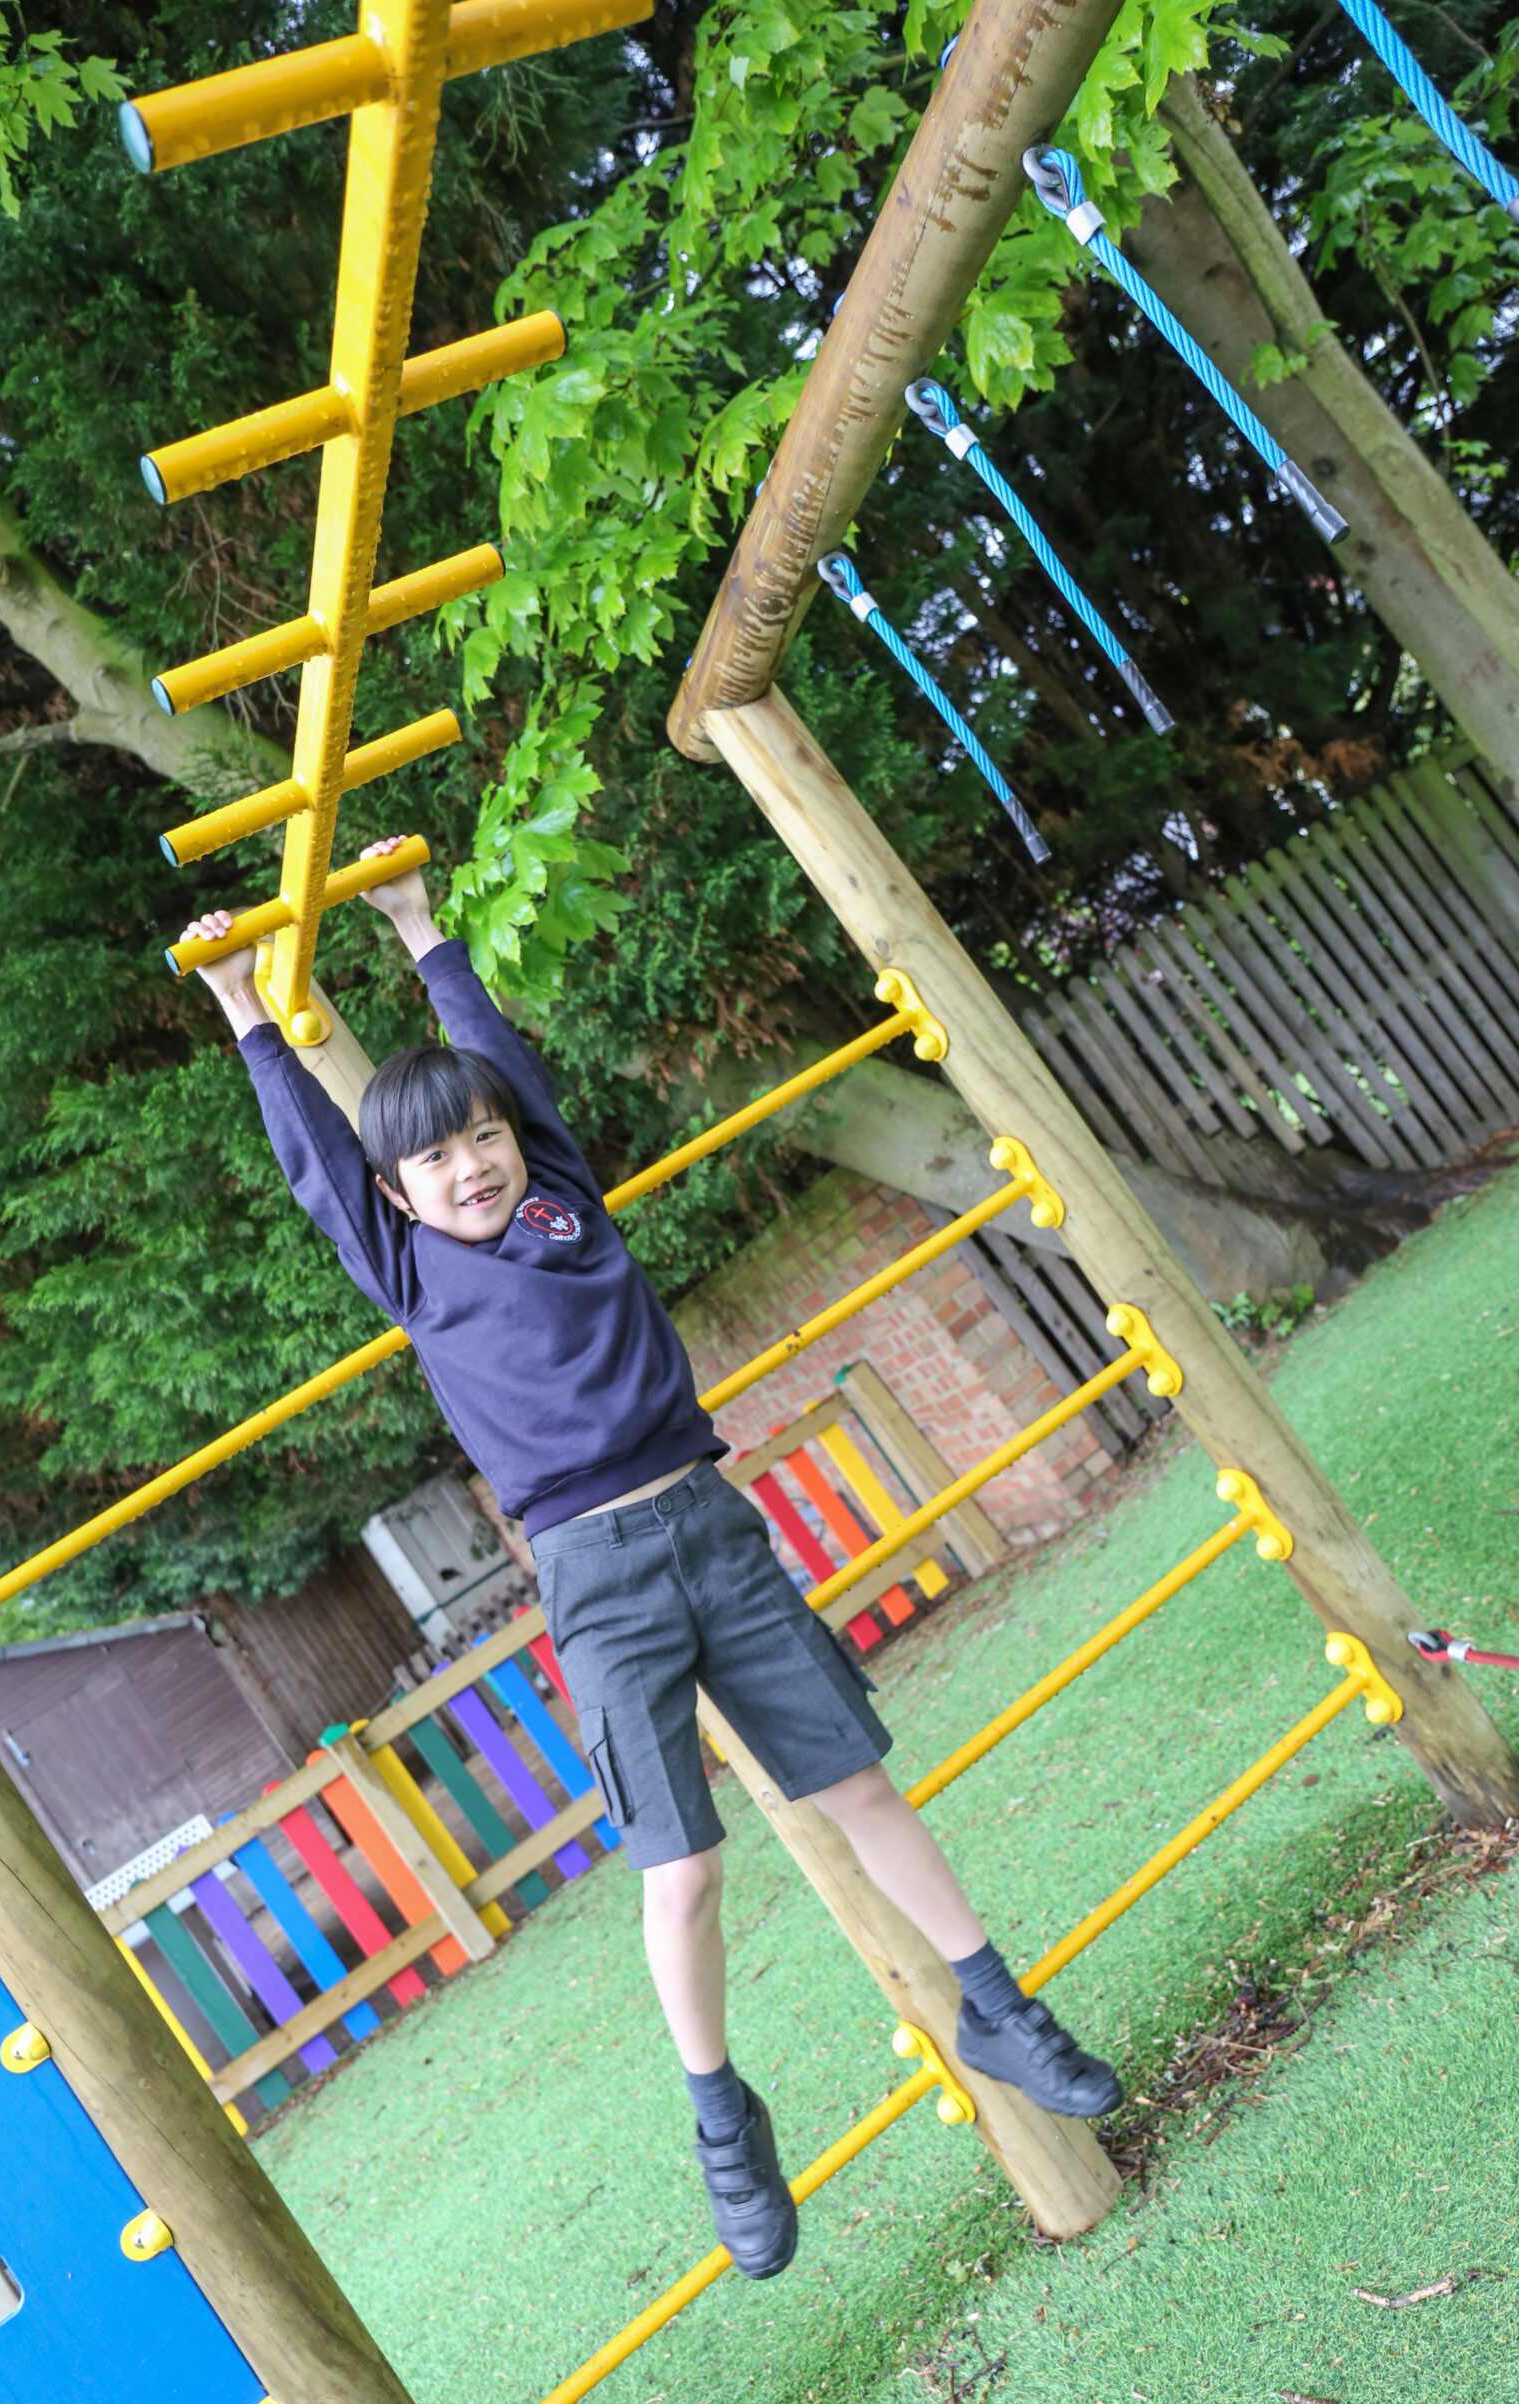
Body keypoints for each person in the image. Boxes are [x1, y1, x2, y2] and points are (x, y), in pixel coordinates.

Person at [185, 848, 1121, 2277]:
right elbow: (323, 1166)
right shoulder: (411, 1267)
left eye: (479, 1140)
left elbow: (496, 1061)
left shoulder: (562, 1198)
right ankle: (721, 2119)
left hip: (709, 1528)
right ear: (402, 1194)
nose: (469, 1165)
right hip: (594, 1576)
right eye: (433, 1160)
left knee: (859, 1781)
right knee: (679, 1870)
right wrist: (249, 1012)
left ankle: (996, 1999)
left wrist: (423, 934)